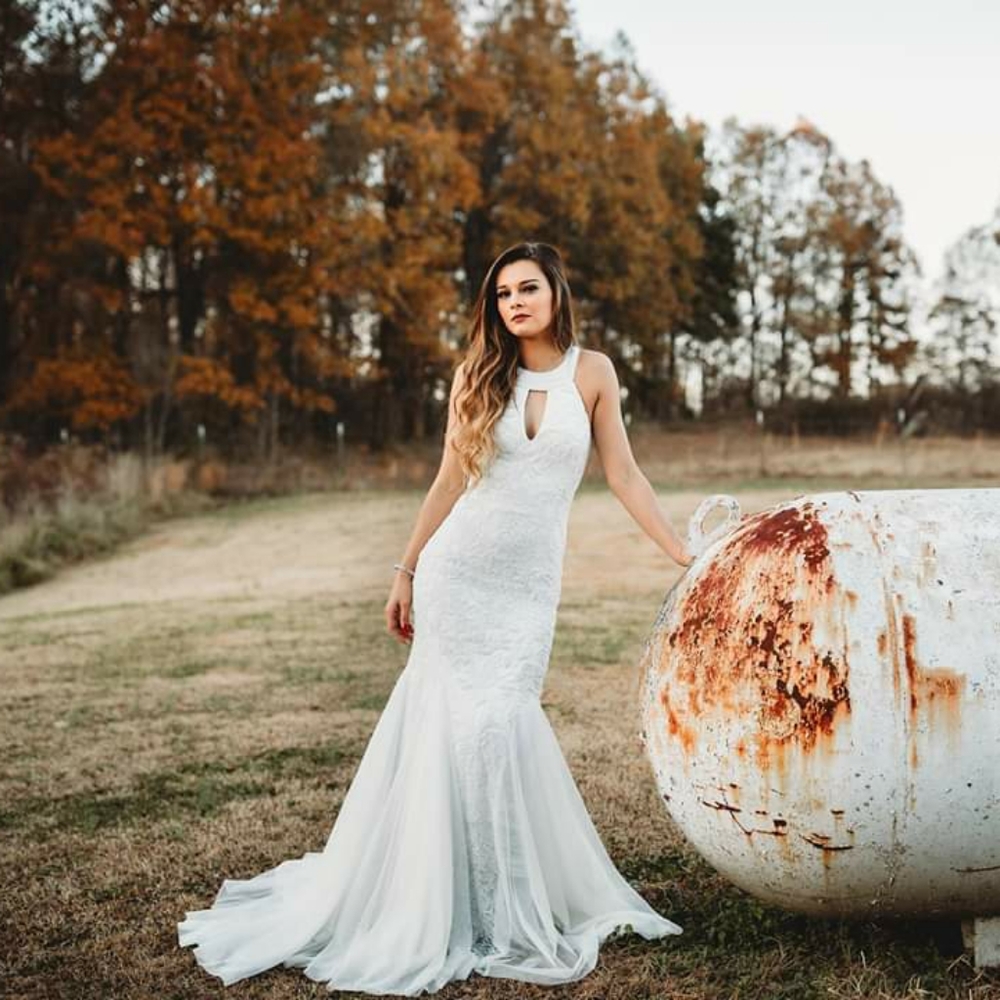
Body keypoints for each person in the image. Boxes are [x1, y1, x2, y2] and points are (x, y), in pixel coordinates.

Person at [177, 241, 693, 995]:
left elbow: (623, 474)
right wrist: (406, 568)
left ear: (556, 292)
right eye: (502, 294)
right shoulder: (478, 374)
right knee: (456, 730)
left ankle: (507, 897)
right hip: (459, 574)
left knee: (500, 724)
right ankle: (453, 904)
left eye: (527, 288)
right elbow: (451, 477)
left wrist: (679, 550)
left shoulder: (594, 372)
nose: (514, 302)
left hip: (526, 591)